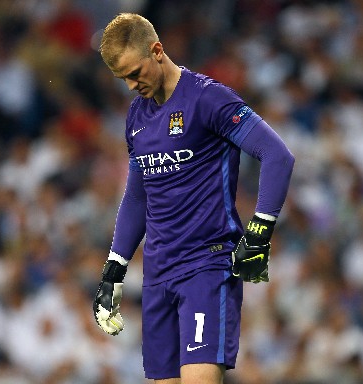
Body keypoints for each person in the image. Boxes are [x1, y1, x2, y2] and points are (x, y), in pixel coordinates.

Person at [92, 13, 295, 384]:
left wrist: (259, 230)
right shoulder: (136, 117)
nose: (131, 85)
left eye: (135, 73)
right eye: (123, 79)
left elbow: (277, 155)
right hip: (156, 276)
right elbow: (138, 197)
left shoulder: (207, 98)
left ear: (157, 51)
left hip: (206, 267)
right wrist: (114, 269)